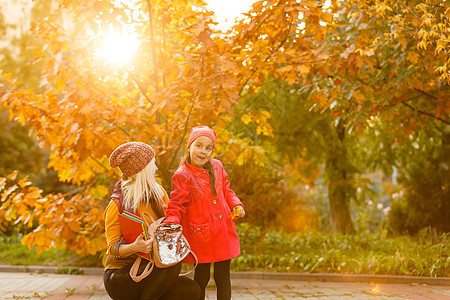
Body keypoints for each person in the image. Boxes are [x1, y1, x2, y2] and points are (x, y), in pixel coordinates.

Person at [104, 141, 200, 300]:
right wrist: (135, 247)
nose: (155, 169)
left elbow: (172, 222)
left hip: (153, 268)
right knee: (170, 266)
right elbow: (112, 249)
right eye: (152, 165)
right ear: (141, 170)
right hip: (121, 277)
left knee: (191, 290)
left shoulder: (159, 192)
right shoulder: (117, 204)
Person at [163, 126, 245, 300]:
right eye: (199, 145)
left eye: (208, 148)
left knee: (223, 276)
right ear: (189, 146)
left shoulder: (217, 166)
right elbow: (176, 204)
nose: (203, 151)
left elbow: (226, 189)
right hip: (202, 235)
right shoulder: (183, 175)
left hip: (223, 230)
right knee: (201, 277)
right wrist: (171, 223)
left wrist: (236, 204)